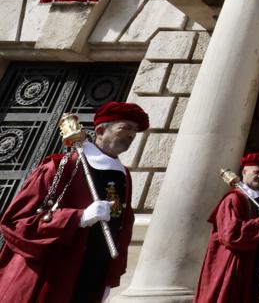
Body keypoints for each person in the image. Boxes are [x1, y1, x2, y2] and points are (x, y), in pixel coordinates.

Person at [0, 101, 148, 302]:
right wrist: (78, 217)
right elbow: (15, 222)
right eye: (126, 127)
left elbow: (123, 229)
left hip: (92, 277)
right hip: (51, 276)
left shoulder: (124, 177)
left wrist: (109, 277)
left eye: (135, 131)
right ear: (101, 130)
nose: (132, 135)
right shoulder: (62, 166)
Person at [195, 152, 259, 303]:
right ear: (244, 172)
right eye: (257, 172)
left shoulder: (253, 200)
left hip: (247, 264)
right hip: (231, 264)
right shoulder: (233, 199)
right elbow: (231, 235)